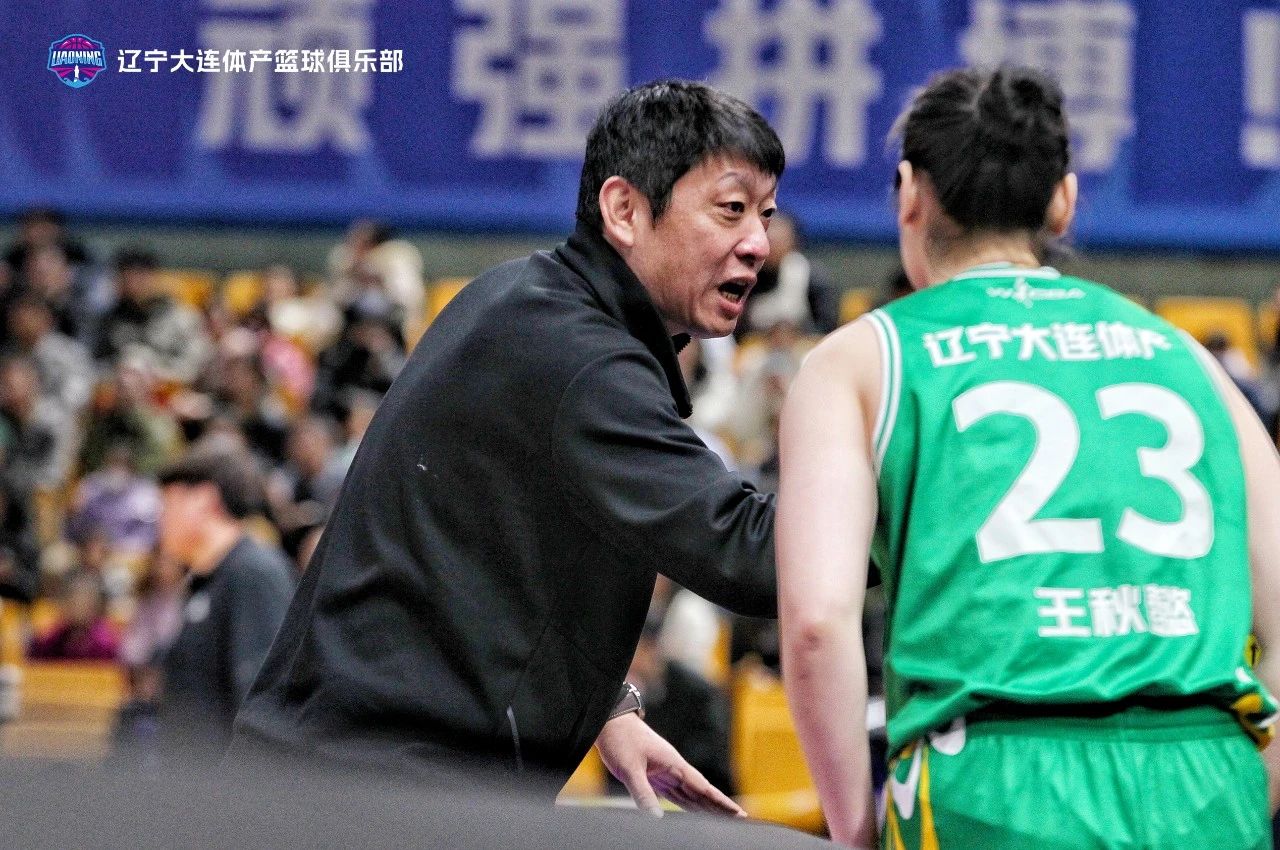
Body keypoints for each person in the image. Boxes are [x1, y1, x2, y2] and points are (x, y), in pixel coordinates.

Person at [233, 79, 783, 814]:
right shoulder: (584, 362)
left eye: (766, 215)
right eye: (731, 209)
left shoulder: (517, 299)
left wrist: (605, 704)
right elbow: (749, 553)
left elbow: (480, 553)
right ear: (625, 210)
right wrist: (924, 484)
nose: (758, 243)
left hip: (322, 774)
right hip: (371, 799)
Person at [777, 66, 1280, 850]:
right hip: (1205, 775)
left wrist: (852, 828)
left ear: (909, 194)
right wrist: (1246, 788)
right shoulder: (1189, 358)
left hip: (993, 779)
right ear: (1063, 201)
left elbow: (816, 624)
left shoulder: (861, 358)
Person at [155, 444, 295, 767]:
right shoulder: (205, 582)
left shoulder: (253, 572)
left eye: (168, 503)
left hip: (226, 790)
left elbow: (260, 701)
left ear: (204, 500)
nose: (161, 518)